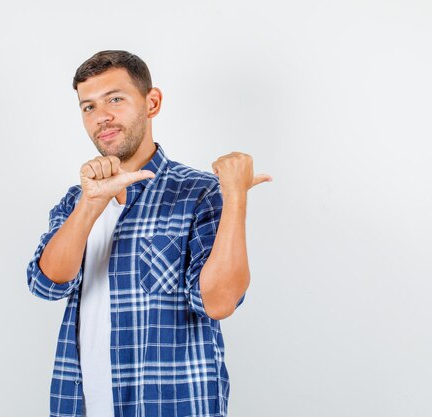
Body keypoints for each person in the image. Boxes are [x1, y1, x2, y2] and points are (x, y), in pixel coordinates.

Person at [26, 50, 271, 417]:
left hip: (171, 405)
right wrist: (91, 205)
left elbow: (219, 302)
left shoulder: (198, 192)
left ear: (151, 102)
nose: (101, 116)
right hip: (81, 405)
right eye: (88, 107)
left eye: (115, 99)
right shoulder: (78, 198)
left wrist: (233, 197)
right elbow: (46, 284)